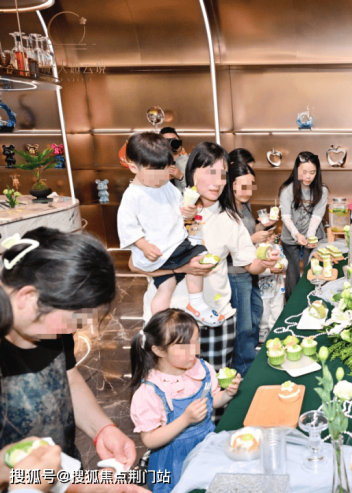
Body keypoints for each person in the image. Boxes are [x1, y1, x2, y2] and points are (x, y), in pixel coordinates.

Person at [0, 228, 137, 477]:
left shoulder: (48, 315)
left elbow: (68, 379)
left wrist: (102, 429)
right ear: (28, 297)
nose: (73, 330)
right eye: (73, 320)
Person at [133, 143, 279, 377]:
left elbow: (250, 264)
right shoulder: (168, 209)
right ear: (192, 173)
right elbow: (134, 264)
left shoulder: (230, 218)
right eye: (210, 172)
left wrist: (265, 261)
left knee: (215, 388)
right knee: (168, 390)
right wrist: (182, 268)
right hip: (169, 322)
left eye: (222, 174)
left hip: (216, 320)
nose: (217, 181)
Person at [129, 309, 241, 493]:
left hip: (206, 450)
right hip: (173, 462)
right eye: (184, 346)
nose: (194, 350)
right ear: (159, 350)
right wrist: (185, 419)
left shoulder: (201, 369)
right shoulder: (150, 391)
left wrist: (227, 394)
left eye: (196, 341)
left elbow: (211, 401)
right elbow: (149, 439)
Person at [118, 133, 222, 326]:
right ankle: (187, 309)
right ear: (133, 167)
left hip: (173, 246)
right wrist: (144, 245)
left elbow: (180, 209)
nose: (162, 178)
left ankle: (171, 316)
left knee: (167, 286)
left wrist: (189, 211)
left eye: (165, 170)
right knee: (198, 255)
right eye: (155, 172)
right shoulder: (132, 196)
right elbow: (128, 228)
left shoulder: (166, 186)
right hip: (157, 252)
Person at [226, 148, 283, 374]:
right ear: (231, 184)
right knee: (244, 325)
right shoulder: (227, 210)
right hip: (236, 272)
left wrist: (263, 228)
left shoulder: (245, 205)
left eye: (250, 186)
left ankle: (248, 360)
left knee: (255, 314)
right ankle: (243, 369)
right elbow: (228, 247)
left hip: (251, 269)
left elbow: (251, 230)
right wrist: (252, 239)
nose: (247, 191)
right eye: (243, 186)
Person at [279, 152, 329, 299]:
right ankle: (292, 305)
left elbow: (317, 216)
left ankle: (312, 302)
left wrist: (310, 236)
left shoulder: (322, 190)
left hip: (313, 236)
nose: (308, 176)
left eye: (312, 173)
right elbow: (286, 216)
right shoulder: (287, 189)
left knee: (313, 271)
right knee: (292, 274)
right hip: (290, 236)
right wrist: (297, 235)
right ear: (297, 170)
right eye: (304, 172)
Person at [258, 223, 288, 342]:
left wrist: (283, 266)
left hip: (278, 286)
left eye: (273, 234)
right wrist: (269, 270)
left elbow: (284, 260)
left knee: (277, 311)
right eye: (268, 236)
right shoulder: (257, 250)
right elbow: (256, 270)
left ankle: (276, 333)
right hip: (263, 289)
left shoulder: (277, 247)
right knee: (264, 314)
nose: (271, 238)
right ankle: (263, 333)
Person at [160, 127, 189, 193]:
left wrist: (181, 177)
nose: (171, 143)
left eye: (174, 140)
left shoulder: (189, 162)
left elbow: (194, 190)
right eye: (167, 141)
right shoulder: (155, 163)